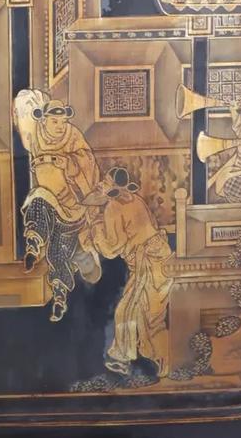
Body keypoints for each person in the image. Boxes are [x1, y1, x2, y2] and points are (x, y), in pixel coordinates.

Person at [13, 91, 101, 322]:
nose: (61, 127)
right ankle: (33, 244)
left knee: (58, 253)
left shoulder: (73, 136)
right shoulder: (36, 136)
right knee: (37, 200)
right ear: (44, 121)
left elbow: (88, 162)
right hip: (48, 196)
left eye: (63, 122)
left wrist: (69, 163)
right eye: (55, 122)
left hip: (72, 207)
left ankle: (60, 297)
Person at [83, 166, 172, 379]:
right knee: (141, 315)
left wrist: (95, 228)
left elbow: (111, 249)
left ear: (114, 188)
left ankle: (133, 360)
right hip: (157, 257)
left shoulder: (113, 207)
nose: (101, 185)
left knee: (138, 315)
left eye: (105, 182)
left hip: (148, 264)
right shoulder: (134, 199)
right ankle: (135, 360)